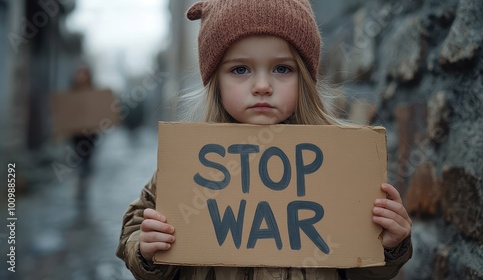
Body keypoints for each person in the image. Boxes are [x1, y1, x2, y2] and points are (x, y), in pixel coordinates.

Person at [116, 0, 413, 279]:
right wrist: (145, 248)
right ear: (215, 80)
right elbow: (136, 232)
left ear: (305, 79)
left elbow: (358, 269)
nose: (261, 86)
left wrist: (387, 246)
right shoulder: (187, 164)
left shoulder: (339, 166)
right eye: (240, 69)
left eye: (282, 69)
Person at [70, 65, 97, 204]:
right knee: (78, 158)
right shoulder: (71, 93)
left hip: (90, 135)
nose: (81, 77)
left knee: (86, 159)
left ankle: (84, 183)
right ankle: (80, 183)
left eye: (83, 74)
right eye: (79, 74)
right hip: (76, 134)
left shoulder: (94, 92)